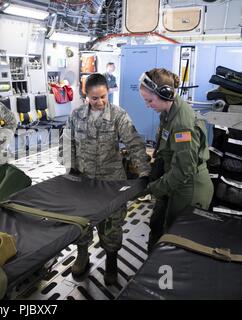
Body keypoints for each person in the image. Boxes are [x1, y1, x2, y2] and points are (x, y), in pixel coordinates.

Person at [59, 73, 150, 285]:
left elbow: (134, 143)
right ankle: (83, 255)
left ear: (107, 93)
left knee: (112, 226)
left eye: (103, 97)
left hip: (111, 183)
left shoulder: (118, 115)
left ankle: (111, 262)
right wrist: (69, 168)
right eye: (94, 98)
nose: (99, 102)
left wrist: (145, 171)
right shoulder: (76, 115)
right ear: (86, 96)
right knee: (81, 223)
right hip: (83, 183)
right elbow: (66, 142)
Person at [139, 68, 213, 252]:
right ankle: (151, 269)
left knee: (176, 239)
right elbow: (166, 149)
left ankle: (163, 274)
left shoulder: (182, 124)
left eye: (149, 100)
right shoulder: (168, 111)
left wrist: (153, 188)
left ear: (165, 94)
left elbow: (184, 169)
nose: (148, 105)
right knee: (157, 224)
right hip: (173, 178)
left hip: (189, 187)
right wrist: (154, 172)